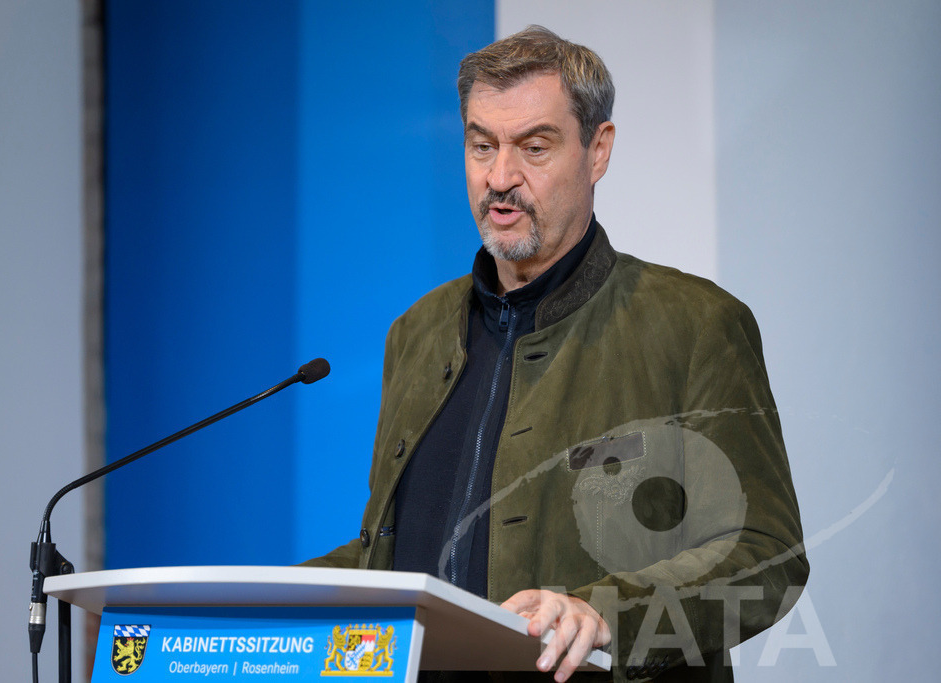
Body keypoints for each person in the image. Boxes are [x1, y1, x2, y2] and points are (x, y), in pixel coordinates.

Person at [305, 26, 807, 683]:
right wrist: (241, 601)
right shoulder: (417, 332)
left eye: (533, 147)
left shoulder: (697, 326)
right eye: (481, 145)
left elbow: (766, 556)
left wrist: (604, 614)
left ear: (598, 151)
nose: (500, 177)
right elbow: (396, 561)